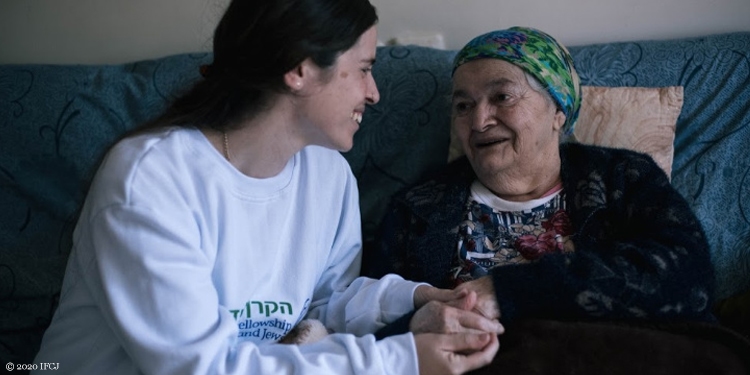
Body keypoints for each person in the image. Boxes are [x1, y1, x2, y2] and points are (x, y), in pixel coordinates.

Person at [31, 1, 501, 374]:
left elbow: (323, 303)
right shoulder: (149, 178)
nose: (374, 92)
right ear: (298, 70)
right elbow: (204, 368)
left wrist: (415, 304)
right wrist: (402, 362)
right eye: (362, 68)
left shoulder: (328, 172)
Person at [362, 26, 716, 333]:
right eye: (463, 106)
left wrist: (509, 291)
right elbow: (372, 315)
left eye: (502, 97)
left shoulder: (621, 178)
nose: (479, 120)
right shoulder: (419, 207)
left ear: (558, 111)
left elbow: (689, 276)